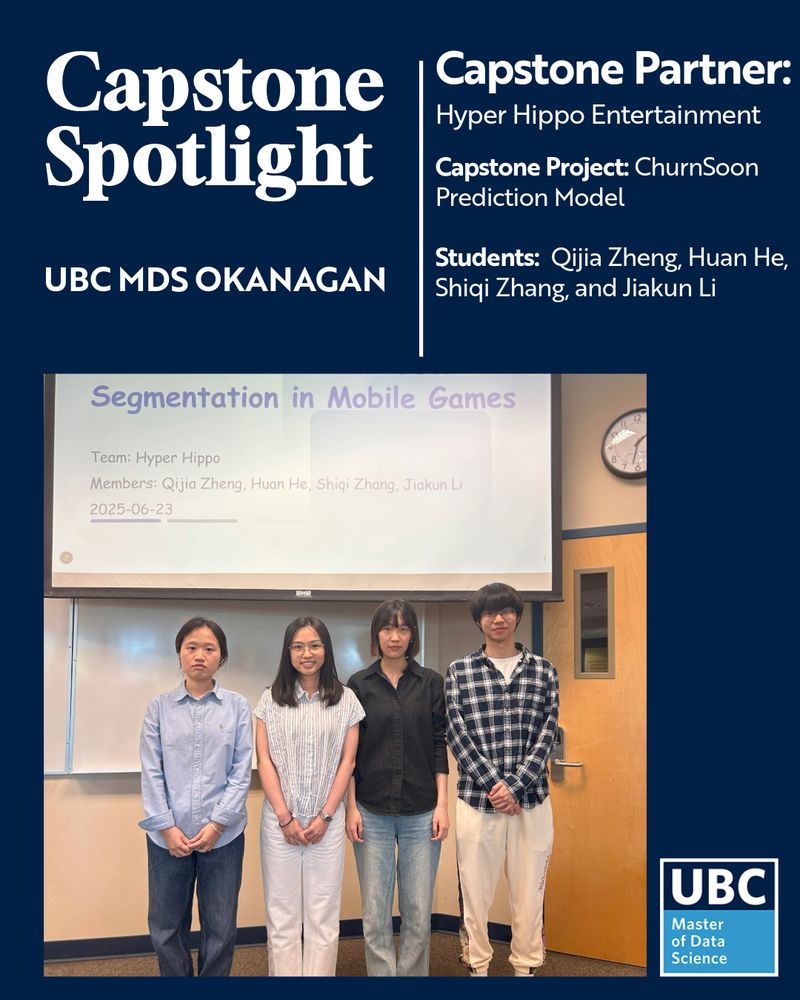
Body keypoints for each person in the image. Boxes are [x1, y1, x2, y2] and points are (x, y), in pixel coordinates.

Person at [445, 583, 559, 977]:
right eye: (490, 613)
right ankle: (478, 967)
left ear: (517, 616)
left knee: (529, 894)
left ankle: (525, 968)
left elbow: (547, 734)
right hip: (478, 801)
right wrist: (497, 786)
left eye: (506, 611)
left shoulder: (544, 671)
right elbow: (457, 734)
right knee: (475, 893)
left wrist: (515, 786)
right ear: (479, 620)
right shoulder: (459, 671)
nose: (498, 619)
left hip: (533, 801)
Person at [139, 617, 253, 976]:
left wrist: (218, 823)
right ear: (179, 654)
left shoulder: (237, 707)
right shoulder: (158, 708)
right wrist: (167, 827)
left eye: (209, 648)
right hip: (166, 838)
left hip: (223, 837)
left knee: (220, 929)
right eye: (191, 647)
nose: (200, 655)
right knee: (165, 928)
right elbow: (151, 771)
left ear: (222, 656)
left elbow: (241, 770)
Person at [254, 616, 364, 977]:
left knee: (323, 916)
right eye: (298, 646)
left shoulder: (346, 700)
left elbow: (348, 762)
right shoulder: (269, 700)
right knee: (282, 915)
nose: (307, 653)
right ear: (288, 652)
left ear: (326, 650)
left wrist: (326, 817)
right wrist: (285, 817)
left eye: (314, 645)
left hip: (326, 825)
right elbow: (264, 761)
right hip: (278, 823)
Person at [346, 599, 449, 976]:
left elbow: (439, 745)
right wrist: (350, 808)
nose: (395, 637)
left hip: (422, 810)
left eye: (403, 629)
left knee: (418, 914)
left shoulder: (432, 682)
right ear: (377, 634)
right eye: (388, 629)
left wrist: (442, 806)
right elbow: (350, 755)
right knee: (375, 913)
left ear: (413, 635)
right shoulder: (359, 684)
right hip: (371, 811)